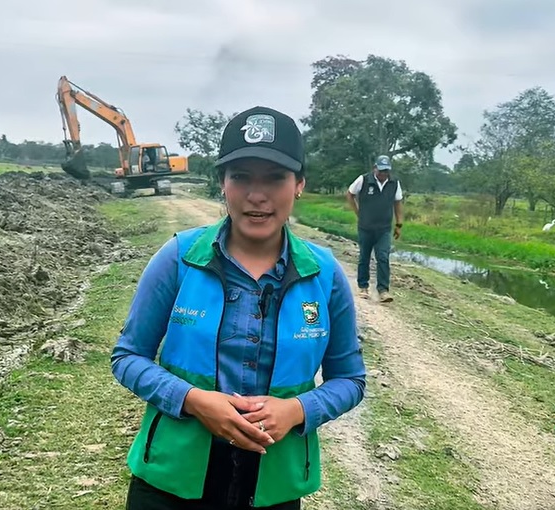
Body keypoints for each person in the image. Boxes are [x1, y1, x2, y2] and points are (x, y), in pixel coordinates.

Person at [111, 106, 367, 509]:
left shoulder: (325, 274)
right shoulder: (178, 258)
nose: (257, 195)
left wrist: (298, 409)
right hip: (169, 481)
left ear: (299, 184)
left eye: (275, 177)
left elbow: (350, 379)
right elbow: (127, 357)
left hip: (273, 483)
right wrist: (192, 400)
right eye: (241, 176)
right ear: (223, 183)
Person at [345, 155, 403, 303]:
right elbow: (350, 194)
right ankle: (363, 287)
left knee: (383, 257)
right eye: (381, 170)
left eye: (386, 171)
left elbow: (397, 203)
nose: (383, 174)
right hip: (365, 227)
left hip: (384, 228)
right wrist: (358, 213)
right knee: (364, 257)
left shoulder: (394, 183)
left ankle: (383, 290)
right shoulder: (364, 180)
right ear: (375, 168)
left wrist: (399, 224)